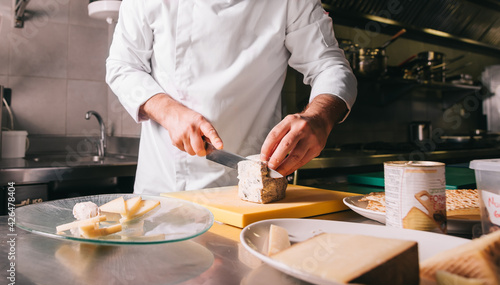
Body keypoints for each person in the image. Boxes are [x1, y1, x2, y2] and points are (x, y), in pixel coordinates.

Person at [106, 0, 357, 195]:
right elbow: (122, 67)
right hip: (165, 187)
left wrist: (319, 118)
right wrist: (170, 112)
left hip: (249, 188)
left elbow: (329, 66)